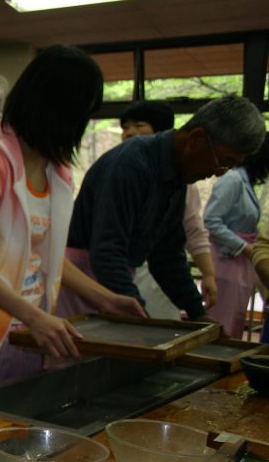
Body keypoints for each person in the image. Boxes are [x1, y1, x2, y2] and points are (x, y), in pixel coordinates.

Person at [0, 45, 145, 397]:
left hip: (28, 331)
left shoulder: (55, 168)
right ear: (60, 111)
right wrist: (33, 318)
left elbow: (45, 255)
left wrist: (104, 298)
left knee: (17, 433)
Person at [60, 95, 266, 320]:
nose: (220, 172)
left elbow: (167, 255)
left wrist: (199, 315)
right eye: (224, 161)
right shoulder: (131, 163)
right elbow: (108, 252)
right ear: (196, 140)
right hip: (83, 283)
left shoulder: (176, 173)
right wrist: (141, 319)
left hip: (113, 277)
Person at [120, 101, 219, 316]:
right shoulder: (120, 169)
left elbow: (193, 229)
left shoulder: (182, 178)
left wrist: (208, 273)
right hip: (118, 272)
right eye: (125, 127)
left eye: (138, 125)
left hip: (158, 276)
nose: (130, 133)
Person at [204, 133, 269, 337]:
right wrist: (244, 246)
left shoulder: (246, 182)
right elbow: (211, 219)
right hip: (227, 259)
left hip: (241, 261)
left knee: (235, 321)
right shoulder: (232, 180)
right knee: (222, 324)